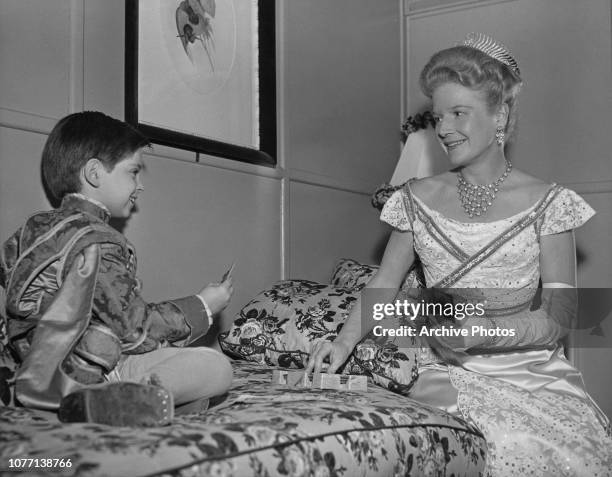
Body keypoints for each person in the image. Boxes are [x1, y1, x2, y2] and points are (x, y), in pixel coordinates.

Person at [307, 33, 612, 475]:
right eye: (438, 116)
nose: (444, 128)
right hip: (448, 367)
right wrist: (340, 342)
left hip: (532, 370)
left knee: (573, 448)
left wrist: (483, 332)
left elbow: (561, 318)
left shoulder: (550, 202)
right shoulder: (416, 198)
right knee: (488, 441)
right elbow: (382, 286)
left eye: (458, 113)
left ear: (500, 113)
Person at [0, 111, 234, 424]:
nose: (140, 186)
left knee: (195, 370)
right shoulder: (97, 239)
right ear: (95, 173)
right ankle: (117, 401)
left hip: (29, 367)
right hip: (87, 372)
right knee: (217, 367)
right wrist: (203, 306)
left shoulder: (31, 228)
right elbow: (135, 328)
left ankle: (150, 401)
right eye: (133, 172)